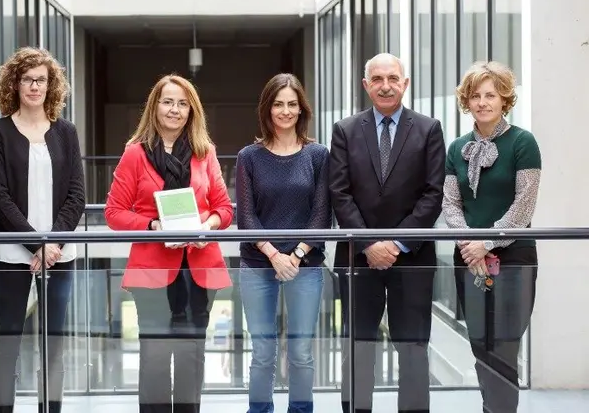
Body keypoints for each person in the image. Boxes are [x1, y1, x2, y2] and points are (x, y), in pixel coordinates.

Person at [104, 74, 233, 413]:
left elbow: (224, 208)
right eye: (167, 102)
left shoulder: (206, 154)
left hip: (199, 267)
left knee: (192, 358)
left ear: (192, 111)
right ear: (155, 107)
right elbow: (114, 213)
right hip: (153, 268)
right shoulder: (135, 154)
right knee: (156, 359)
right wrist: (153, 225)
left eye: (182, 103)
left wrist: (207, 224)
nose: (175, 109)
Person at [328, 53, 446, 413]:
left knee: (412, 348)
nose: (385, 86)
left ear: (405, 83)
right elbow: (339, 192)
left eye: (393, 78)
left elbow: (433, 193)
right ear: (366, 86)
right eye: (377, 79)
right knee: (357, 347)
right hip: (357, 260)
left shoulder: (429, 129)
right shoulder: (345, 131)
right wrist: (369, 244)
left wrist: (395, 244)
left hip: (412, 260)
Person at [0, 47, 85, 413]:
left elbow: (77, 194)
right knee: (8, 341)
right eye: (27, 79)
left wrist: (53, 243)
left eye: (40, 79)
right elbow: (0, 196)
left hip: (60, 254)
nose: (33, 86)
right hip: (13, 254)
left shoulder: (66, 132)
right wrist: (36, 245)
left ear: (51, 85)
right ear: (15, 83)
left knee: (54, 344)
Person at [442, 61, 540, 413]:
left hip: (514, 260)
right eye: (475, 96)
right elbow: (450, 204)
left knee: (504, 347)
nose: (482, 102)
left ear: (504, 99)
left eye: (490, 95)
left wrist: (488, 243)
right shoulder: (456, 148)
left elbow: (523, 208)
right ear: (466, 101)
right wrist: (472, 246)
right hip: (469, 259)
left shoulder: (523, 142)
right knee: (479, 345)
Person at [235, 73, 331, 413]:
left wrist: (297, 255)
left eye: (292, 104)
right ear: (267, 109)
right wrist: (275, 255)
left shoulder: (318, 155)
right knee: (263, 351)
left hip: (305, 265)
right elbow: (245, 217)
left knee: (301, 351)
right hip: (259, 264)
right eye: (278, 104)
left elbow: (322, 214)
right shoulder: (249, 156)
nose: (285, 111)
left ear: (301, 109)